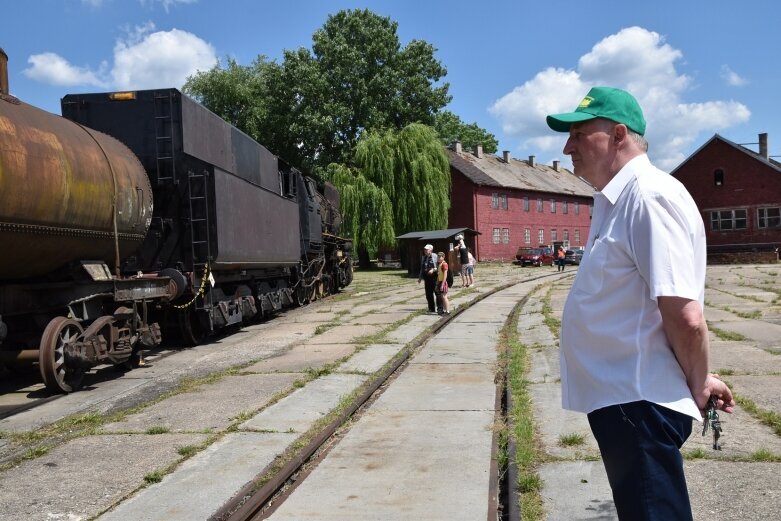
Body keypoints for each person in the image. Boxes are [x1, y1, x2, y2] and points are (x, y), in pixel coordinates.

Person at [547, 86, 734, 520]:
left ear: (617, 135)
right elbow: (642, 312)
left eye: (578, 133)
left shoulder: (647, 197)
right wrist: (697, 375)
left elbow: (685, 316)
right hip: (627, 402)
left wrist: (697, 380)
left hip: (639, 407)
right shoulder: (616, 201)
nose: (567, 146)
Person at [417, 244, 440, 314]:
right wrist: (420, 277)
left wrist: (433, 269)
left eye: (426, 249)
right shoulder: (424, 258)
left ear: (431, 250)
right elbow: (422, 268)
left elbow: (439, 266)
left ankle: (440, 308)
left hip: (435, 277)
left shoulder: (435, 256)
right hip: (427, 278)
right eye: (424, 249)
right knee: (428, 294)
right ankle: (431, 308)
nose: (425, 251)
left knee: (437, 293)